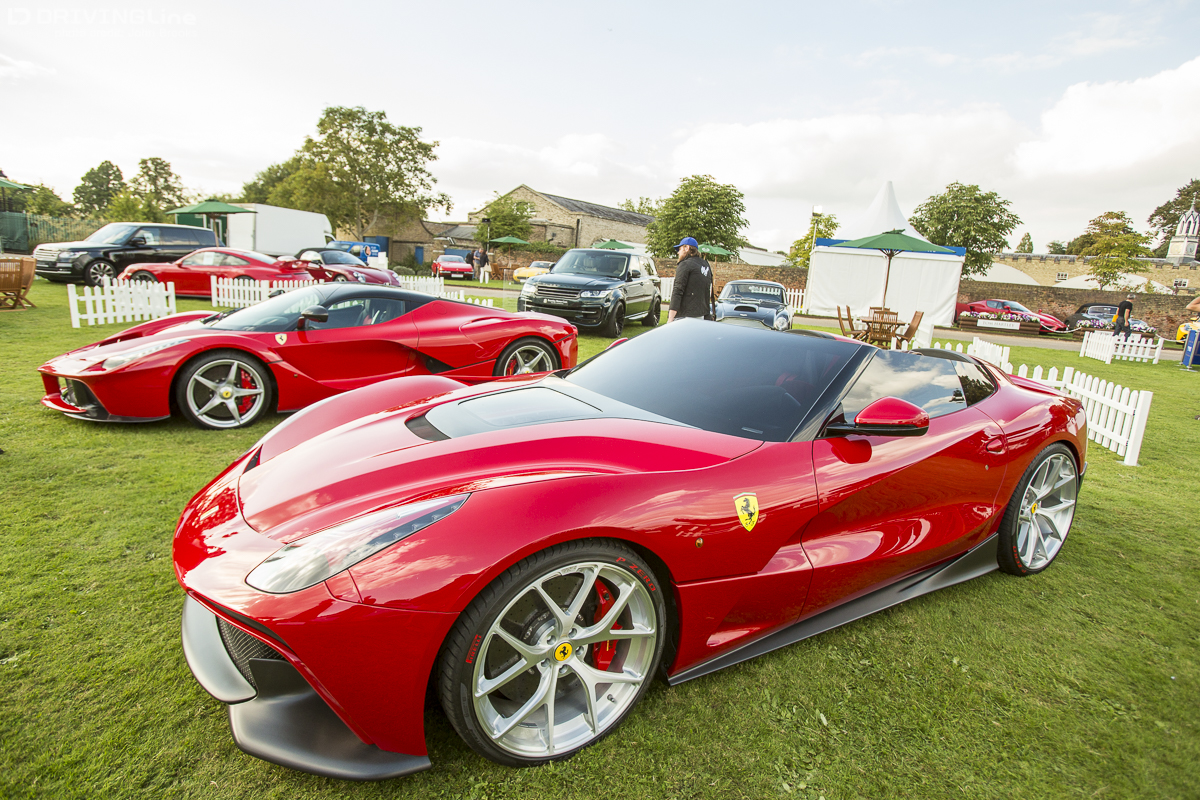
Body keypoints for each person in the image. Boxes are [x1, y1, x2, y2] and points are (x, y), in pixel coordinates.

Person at [667, 237, 715, 323]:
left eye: (680, 249)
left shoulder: (685, 264)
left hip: (685, 316)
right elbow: (708, 291)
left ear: (687, 248)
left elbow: (678, 290)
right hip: (701, 315)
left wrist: (670, 318)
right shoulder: (705, 265)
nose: (678, 252)